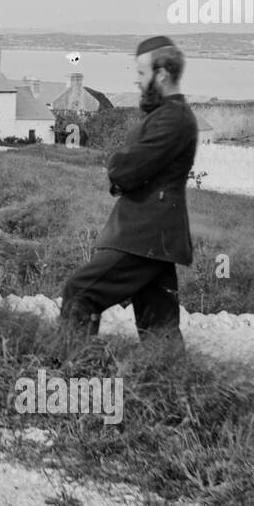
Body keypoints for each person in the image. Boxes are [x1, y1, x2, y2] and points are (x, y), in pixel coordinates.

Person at [60, 34, 198, 352]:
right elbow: (132, 167)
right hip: (154, 240)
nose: (137, 82)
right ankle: (173, 393)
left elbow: (125, 169)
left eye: (141, 74)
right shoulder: (168, 116)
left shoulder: (172, 119)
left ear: (161, 74)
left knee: (80, 292)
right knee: (160, 335)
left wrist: (118, 162)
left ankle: (75, 374)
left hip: (142, 237)